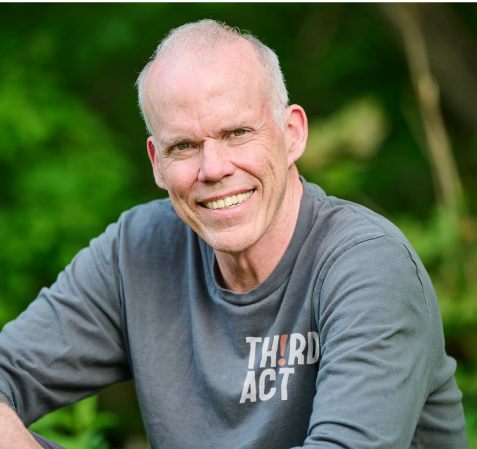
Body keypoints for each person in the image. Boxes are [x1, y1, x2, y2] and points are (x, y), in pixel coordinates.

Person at [0, 19, 467, 449]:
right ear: (157, 163)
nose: (214, 168)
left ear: (292, 134)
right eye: (183, 146)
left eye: (238, 133)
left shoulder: (368, 266)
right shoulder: (138, 252)